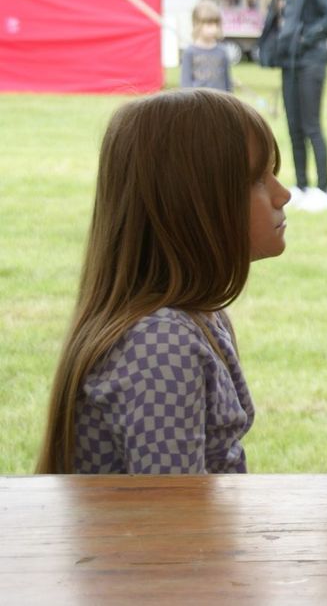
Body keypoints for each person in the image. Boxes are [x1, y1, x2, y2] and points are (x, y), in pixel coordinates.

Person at [37, 89, 290, 474]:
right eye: (256, 180)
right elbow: (174, 519)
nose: (282, 194)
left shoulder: (201, 316)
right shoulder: (161, 343)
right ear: (192, 204)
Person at [254, 0, 327, 212]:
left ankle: (324, 189)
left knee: (311, 125)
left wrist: (305, 38)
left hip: (310, 60)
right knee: (293, 127)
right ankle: (301, 185)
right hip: (288, 62)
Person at [181, 0, 233, 92]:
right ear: (197, 25)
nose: (214, 28)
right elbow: (185, 83)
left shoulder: (222, 51)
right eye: (209, 24)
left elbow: (227, 81)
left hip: (219, 101)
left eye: (216, 24)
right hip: (198, 102)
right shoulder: (190, 52)